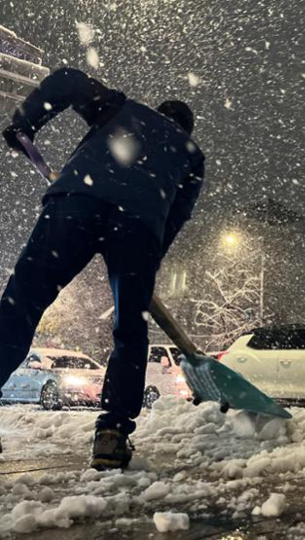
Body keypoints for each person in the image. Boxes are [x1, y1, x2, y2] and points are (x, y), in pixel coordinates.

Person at [0, 67, 205, 469]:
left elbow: (68, 79)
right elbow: (176, 216)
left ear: (158, 112)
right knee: (129, 329)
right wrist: (145, 262)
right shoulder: (192, 155)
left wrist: (26, 122)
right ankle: (111, 434)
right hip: (139, 227)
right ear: (187, 128)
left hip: (76, 202)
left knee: (20, 305)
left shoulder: (120, 109)